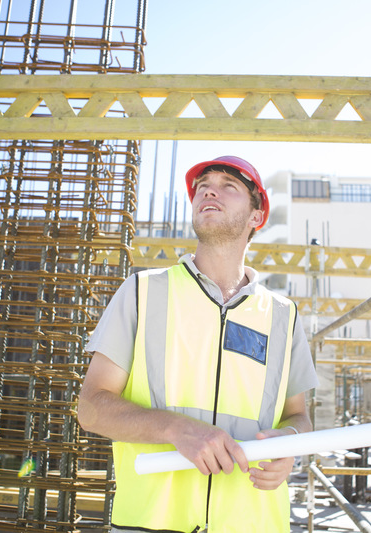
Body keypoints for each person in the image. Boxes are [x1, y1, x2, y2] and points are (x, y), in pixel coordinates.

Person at [77, 155, 319, 533]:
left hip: (253, 524)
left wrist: (289, 444)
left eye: (229, 186)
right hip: (153, 523)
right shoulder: (143, 292)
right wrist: (176, 430)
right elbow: (91, 408)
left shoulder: (282, 315)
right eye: (204, 184)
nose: (209, 189)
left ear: (257, 216)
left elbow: (299, 417)